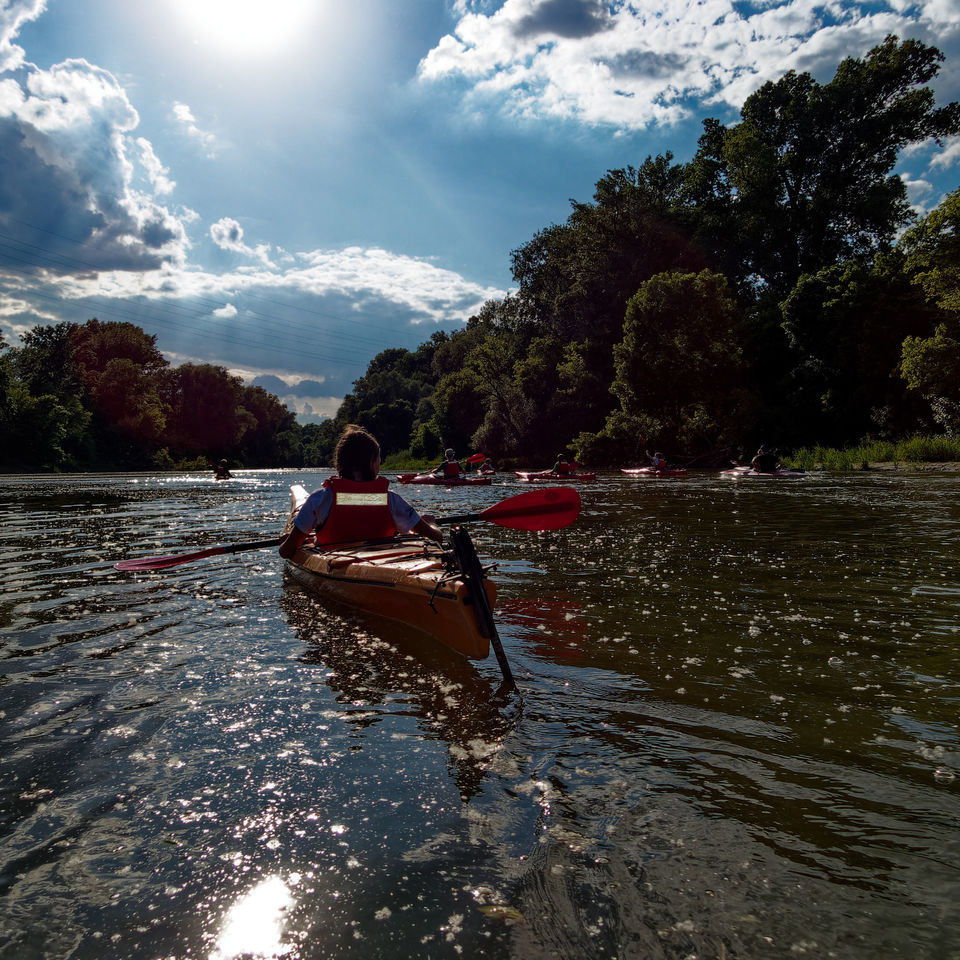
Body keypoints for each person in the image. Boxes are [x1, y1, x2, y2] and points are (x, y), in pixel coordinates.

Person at [279, 425, 442, 558]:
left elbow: (285, 552)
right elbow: (437, 537)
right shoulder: (391, 500)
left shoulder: (320, 500)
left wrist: (299, 542)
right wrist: (431, 523)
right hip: (384, 564)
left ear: (340, 464)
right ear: (372, 463)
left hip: (335, 563)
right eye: (379, 459)